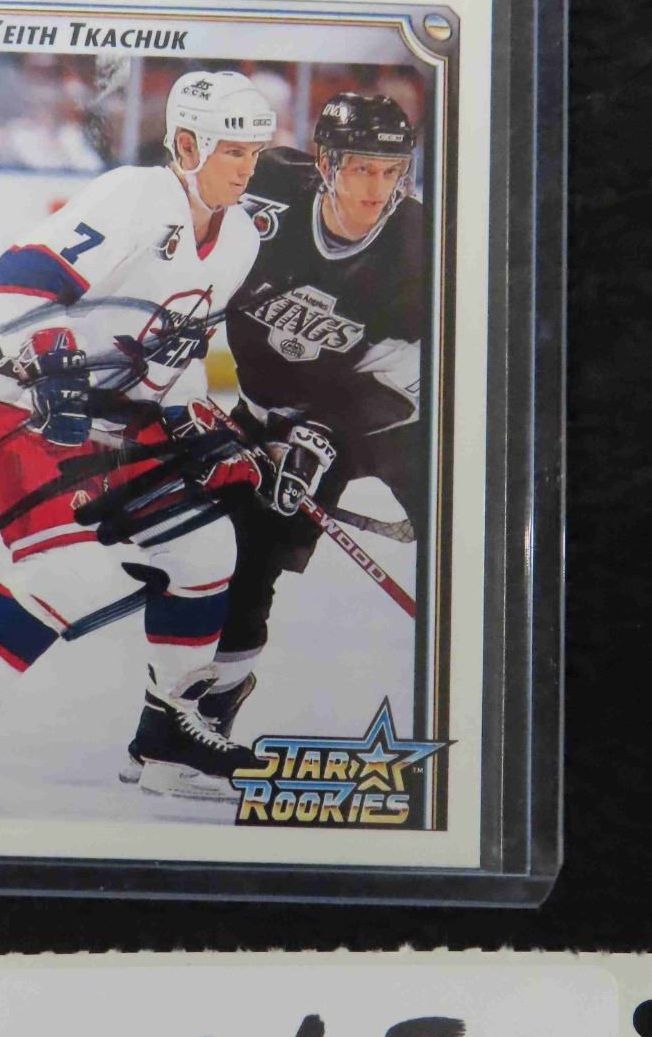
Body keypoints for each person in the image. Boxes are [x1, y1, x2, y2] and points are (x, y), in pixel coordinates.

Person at [0, 69, 292, 810]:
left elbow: (178, 348)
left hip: (105, 409)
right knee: (68, 572)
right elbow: (16, 279)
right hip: (7, 397)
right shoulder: (136, 196)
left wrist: (193, 422)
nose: (246, 168)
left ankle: (166, 741)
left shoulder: (238, 240)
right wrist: (52, 364)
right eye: (233, 151)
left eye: (254, 153)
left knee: (203, 550)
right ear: (186, 145)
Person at [119, 90, 425, 773]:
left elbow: (414, 374)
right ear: (325, 162)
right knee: (247, 553)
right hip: (267, 415)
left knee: (465, 537)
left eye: (391, 170)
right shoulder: (266, 188)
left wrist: (326, 434)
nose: (376, 188)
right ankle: (189, 722)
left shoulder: (417, 246)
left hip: (388, 420)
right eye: (360, 168)